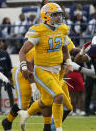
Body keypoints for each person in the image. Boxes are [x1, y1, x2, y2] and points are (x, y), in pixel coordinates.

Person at [17, 3, 73, 131]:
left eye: (60, 15)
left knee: (46, 101)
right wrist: (24, 67)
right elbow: (22, 52)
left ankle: (26, 113)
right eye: (55, 15)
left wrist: (69, 62)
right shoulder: (38, 30)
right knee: (59, 96)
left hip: (57, 71)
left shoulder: (62, 28)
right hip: (42, 70)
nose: (59, 18)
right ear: (46, 16)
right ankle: (58, 129)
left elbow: (65, 49)